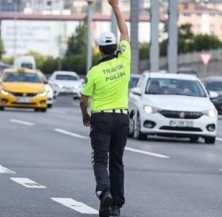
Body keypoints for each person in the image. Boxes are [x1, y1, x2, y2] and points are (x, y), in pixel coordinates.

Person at [79, 0, 130, 216]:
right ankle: (116, 204)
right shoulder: (125, 59)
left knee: (101, 160)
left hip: (101, 119)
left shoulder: (95, 71)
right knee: (117, 161)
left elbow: (83, 99)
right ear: (116, 47)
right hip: (121, 119)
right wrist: (116, 7)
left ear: (100, 50)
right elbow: (124, 32)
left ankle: (104, 191)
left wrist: (85, 115)